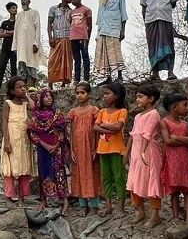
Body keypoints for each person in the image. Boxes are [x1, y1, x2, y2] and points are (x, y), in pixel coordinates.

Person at [125, 85, 164, 228]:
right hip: (136, 151)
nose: (137, 100)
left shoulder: (154, 114)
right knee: (134, 181)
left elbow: (147, 134)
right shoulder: (137, 116)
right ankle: (140, 211)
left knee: (152, 181)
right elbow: (133, 135)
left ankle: (155, 215)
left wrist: (142, 152)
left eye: (140, 97)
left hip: (148, 151)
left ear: (151, 99)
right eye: (137, 97)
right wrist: (127, 152)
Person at [28, 88, 71, 214]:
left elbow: (62, 130)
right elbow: (32, 132)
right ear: (39, 99)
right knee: (43, 173)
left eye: (50, 96)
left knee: (60, 173)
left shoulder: (57, 114)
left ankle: (65, 201)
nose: (49, 98)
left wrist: (57, 145)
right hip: (43, 149)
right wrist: (44, 145)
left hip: (56, 148)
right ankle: (44, 200)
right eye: (45, 96)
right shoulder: (36, 116)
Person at [160, 93, 188, 225]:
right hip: (172, 161)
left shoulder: (185, 124)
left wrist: (178, 138)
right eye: (184, 105)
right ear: (174, 107)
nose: (187, 108)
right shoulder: (164, 122)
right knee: (174, 191)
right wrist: (185, 142)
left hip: (185, 160)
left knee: (187, 191)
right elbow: (168, 141)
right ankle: (175, 218)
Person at [94, 82, 128, 217]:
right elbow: (95, 127)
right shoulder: (102, 111)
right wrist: (108, 127)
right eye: (104, 94)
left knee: (119, 178)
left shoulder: (122, 111)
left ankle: (121, 207)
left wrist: (102, 126)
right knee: (106, 178)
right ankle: (108, 206)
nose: (104, 96)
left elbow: (118, 127)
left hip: (117, 149)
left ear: (117, 96)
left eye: (107, 93)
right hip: (103, 149)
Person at [141, 0, 179, 80]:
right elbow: (144, 7)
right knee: (152, 46)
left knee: (168, 45)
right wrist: (145, 21)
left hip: (165, 19)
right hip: (150, 21)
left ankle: (170, 72)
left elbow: (173, 2)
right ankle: (155, 73)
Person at [67, 82, 101, 216]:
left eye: (82, 93)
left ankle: (93, 205)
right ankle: (82, 205)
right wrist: (72, 150)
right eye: (77, 93)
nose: (79, 95)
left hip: (90, 147)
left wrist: (95, 149)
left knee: (92, 174)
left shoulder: (94, 110)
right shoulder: (73, 112)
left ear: (89, 94)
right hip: (77, 148)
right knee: (78, 176)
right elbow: (71, 132)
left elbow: (97, 132)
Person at [1, 76, 34, 207]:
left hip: (24, 141)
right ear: (12, 91)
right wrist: (7, 141)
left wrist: (27, 96)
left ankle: (22, 198)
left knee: (24, 168)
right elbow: (4, 121)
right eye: (19, 87)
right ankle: (9, 197)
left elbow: (34, 107)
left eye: (24, 86)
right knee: (9, 169)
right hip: (12, 139)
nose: (22, 89)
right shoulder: (8, 103)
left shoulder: (26, 104)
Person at [95, 0, 128, 84]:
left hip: (114, 30)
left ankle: (119, 76)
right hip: (102, 30)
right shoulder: (101, 0)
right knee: (104, 55)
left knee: (116, 54)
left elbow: (123, 15)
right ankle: (108, 78)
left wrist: (122, 31)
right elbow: (100, 17)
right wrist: (98, 33)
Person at [12, 0, 44, 88]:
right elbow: (16, 30)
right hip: (21, 45)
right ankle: (23, 88)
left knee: (31, 64)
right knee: (22, 66)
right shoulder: (19, 15)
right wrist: (15, 46)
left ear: (29, 2)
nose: (23, 1)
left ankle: (32, 87)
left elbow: (37, 28)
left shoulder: (34, 12)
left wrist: (36, 43)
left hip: (31, 44)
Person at [48, 0, 74, 88]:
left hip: (68, 38)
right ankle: (50, 83)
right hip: (56, 38)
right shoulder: (53, 9)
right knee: (52, 61)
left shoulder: (71, 11)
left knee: (67, 61)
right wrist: (50, 38)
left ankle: (64, 83)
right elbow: (49, 24)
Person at [68, 0, 92, 83]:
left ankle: (86, 78)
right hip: (73, 37)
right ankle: (76, 79)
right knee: (76, 58)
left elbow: (89, 25)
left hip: (83, 36)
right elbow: (71, 23)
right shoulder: (72, 12)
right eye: (71, 0)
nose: (73, 2)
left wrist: (88, 37)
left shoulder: (86, 10)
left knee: (85, 56)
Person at [0, 2, 18, 93]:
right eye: (13, 8)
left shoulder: (18, 22)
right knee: (1, 67)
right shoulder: (5, 23)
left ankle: (13, 89)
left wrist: (7, 32)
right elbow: (0, 35)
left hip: (14, 47)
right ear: (8, 10)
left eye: (16, 8)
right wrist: (12, 32)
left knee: (13, 69)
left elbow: (18, 32)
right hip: (5, 47)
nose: (15, 9)